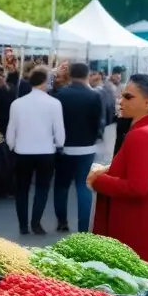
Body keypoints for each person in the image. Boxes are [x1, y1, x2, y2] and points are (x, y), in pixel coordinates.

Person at [90, 74, 148, 261]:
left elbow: (137, 187)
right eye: (122, 96)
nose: (121, 101)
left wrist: (99, 180)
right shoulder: (144, 131)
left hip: (133, 226)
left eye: (128, 97)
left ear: (147, 103)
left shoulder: (141, 135)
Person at [6, 67, 65, 235]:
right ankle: (36, 223)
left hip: (22, 151)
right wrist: (59, 144)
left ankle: (23, 225)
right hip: (46, 152)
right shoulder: (54, 103)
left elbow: (12, 128)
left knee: (22, 189)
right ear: (45, 82)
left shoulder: (17, 103)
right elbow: (59, 130)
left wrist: (11, 145)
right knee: (42, 189)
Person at [53, 61, 104, 232]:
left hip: (64, 147)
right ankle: (83, 227)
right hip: (87, 147)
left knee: (61, 185)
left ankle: (62, 222)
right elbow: (100, 122)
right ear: (87, 74)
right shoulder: (95, 95)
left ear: (71, 75)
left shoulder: (60, 94)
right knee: (83, 186)